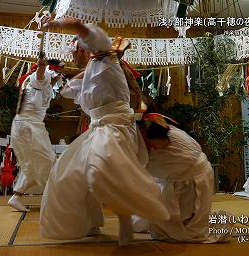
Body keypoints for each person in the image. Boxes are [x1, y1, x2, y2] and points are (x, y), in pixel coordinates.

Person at [40, 18, 170, 246]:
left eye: (73, 54)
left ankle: (125, 221)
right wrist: (83, 70)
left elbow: (81, 26)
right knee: (66, 171)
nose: (72, 59)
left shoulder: (104, 57)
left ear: (82, 48)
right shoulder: (94, 67)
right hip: (98, 128)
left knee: (103, 172)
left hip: (116, 127)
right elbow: (67, 91)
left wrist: (55, 25)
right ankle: (90, 222)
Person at [132, 113, 231, 243]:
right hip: (177, 178)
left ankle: (222, 220)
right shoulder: (147, 130)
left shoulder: (156, 133)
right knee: (159, 227)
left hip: (194, 179)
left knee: (190, 234)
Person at [7, 58, 64, 212]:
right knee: (49, 161)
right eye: (57, 73)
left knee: (32, 166)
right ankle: (57, 198)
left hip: (27, 126)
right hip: (28, 127)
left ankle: (16, 197)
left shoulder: (45, 86)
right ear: (51, 73)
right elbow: (39, 76)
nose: (59, 77)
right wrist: (42, 66)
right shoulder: (39, 79)